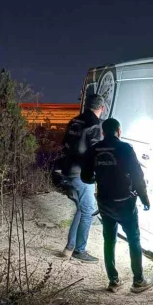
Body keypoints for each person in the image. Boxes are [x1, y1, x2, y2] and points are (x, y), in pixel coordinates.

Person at [81, 118, 153, 293]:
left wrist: (98, 178)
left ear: (103, 133)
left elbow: (86, 176)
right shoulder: (125, 148)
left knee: (109, 240)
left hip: (105, 203)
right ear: (119, 131)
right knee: (133, 239)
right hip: (125, 203)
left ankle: (113, 281)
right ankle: (138, 281)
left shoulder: (94, 149)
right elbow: (137, 176)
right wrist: (144, 199)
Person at [57, 94, 105, 262]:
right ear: (102, 108)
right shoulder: (95, 125)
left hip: (67, 170)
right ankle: (80, 250)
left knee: (81, 208)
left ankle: (69, 248)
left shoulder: (74, 121)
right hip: (81, 174)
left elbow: (65, 145)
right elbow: (95, 152)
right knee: (88, 211)